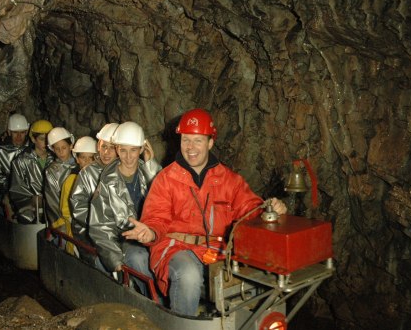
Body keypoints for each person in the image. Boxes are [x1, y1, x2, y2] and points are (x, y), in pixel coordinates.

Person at [122, 108, 288, 316]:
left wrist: (270, 209)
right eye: (185, 140)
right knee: (188, 274)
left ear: (210, 143)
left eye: (197, 140)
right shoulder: (166, 179)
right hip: (175, 246)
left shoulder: (229, 180)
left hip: (217, 249)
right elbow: (156, 217)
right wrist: (151, 232)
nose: (190, 147)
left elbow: (250, 210)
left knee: (258, 274)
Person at [89, 121, 161, 296]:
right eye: (123, 150)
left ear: (142, 149)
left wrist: (152, 165)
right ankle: (154, 301)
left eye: (134, 150)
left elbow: (167, 202)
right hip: (125, 240)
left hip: (155, 235)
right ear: (117, 149)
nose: (128, 157)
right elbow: (99, 225)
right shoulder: (107, 182)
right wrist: (114, 259)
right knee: (139, 258)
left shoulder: (150, 173)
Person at [70, 123, 119, 267]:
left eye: (112, 148)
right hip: (87, 230)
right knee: (100, 260)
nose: (107, 152)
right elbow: (78, 207)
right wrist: (101, 226)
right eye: (104, 147)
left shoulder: (125, 171)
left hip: (118, 232)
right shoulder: (87, 173)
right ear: (98, 146)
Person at [0, 113, 30, 217]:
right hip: (5, 191)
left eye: (22, 133)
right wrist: (12, 188)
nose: (19, 137)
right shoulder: (0, 151)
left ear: (26, 132)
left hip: (28, 193)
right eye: (15, 133)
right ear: (9, 132)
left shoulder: (31, 149)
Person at [9, 119, 54, 223]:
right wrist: (33, 200)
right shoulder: (21, 161)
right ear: (33, 139)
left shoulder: (56, 160)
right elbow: (17, 191)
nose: (47, 143)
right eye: (42, 139)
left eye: (49, 139)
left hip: (53, 207)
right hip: (32, 210)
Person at [59, 136, 97, 254]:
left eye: (91, 158)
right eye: (83, 157)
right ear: (77, 159)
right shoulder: (72, 180)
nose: (87, 162)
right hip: (78, 232)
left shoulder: (100, 178)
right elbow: (66, 211)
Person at [44, 127, 76, 229]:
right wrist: (59, 222)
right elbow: (52, 199)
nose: (61, 152)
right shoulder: (52, 171)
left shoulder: (81, 163)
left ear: (71, 146)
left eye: (64, 147)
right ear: (52, 149)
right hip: (63, 219)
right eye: (57, 149)